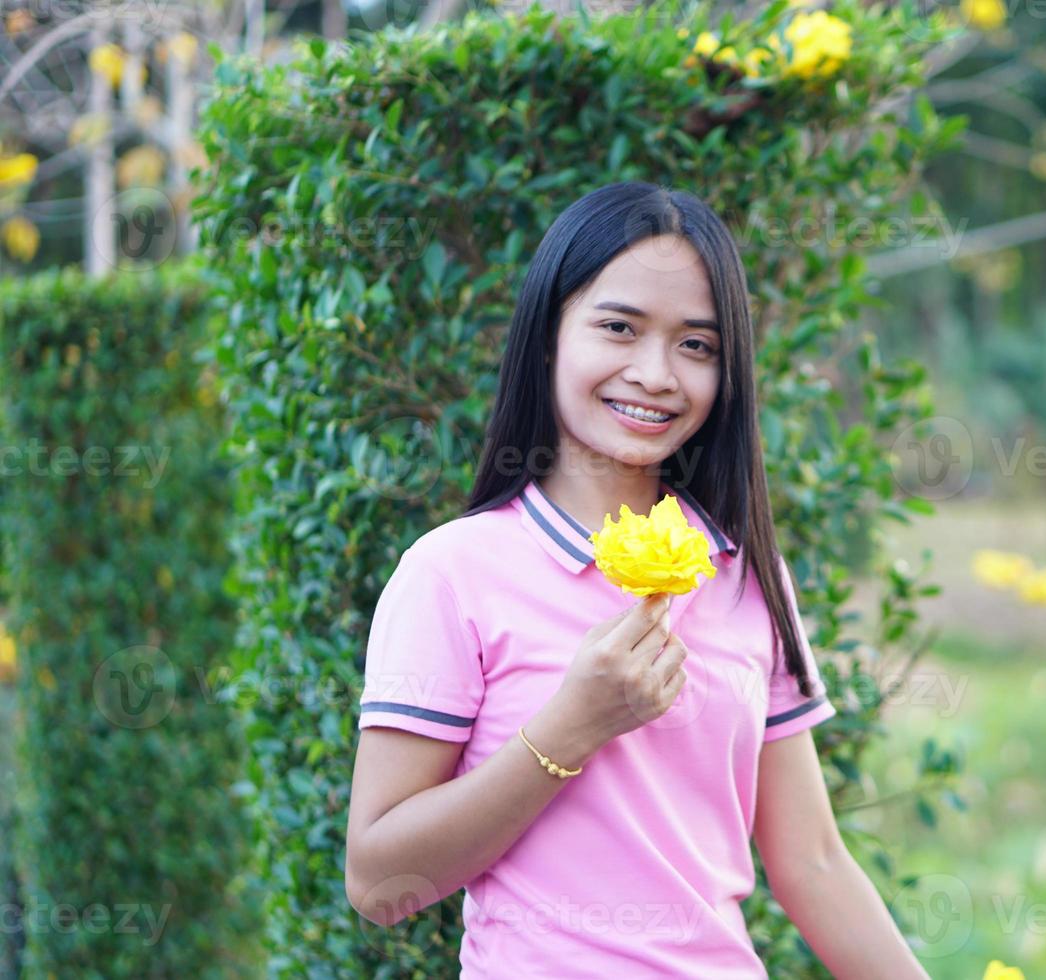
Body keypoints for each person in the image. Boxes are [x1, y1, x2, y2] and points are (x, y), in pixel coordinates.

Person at [344, 181, 930, 978]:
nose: (656, 374)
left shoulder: (744, 572)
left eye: (697, 345)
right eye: (619, 328)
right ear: (549, 336)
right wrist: (571, 726)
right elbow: (379, 883)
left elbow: (815, 864)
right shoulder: (452, 574)